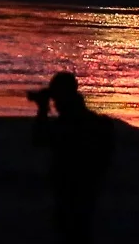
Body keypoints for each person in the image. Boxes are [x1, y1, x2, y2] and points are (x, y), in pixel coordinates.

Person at [30, 72, 116, 243]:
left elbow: (39, 139)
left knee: (72, 230)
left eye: (56, 97)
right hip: (85, 186)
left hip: (74, 186)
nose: (54, 103)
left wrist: (42, 109)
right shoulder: (88, 120)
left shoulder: (73, 122)